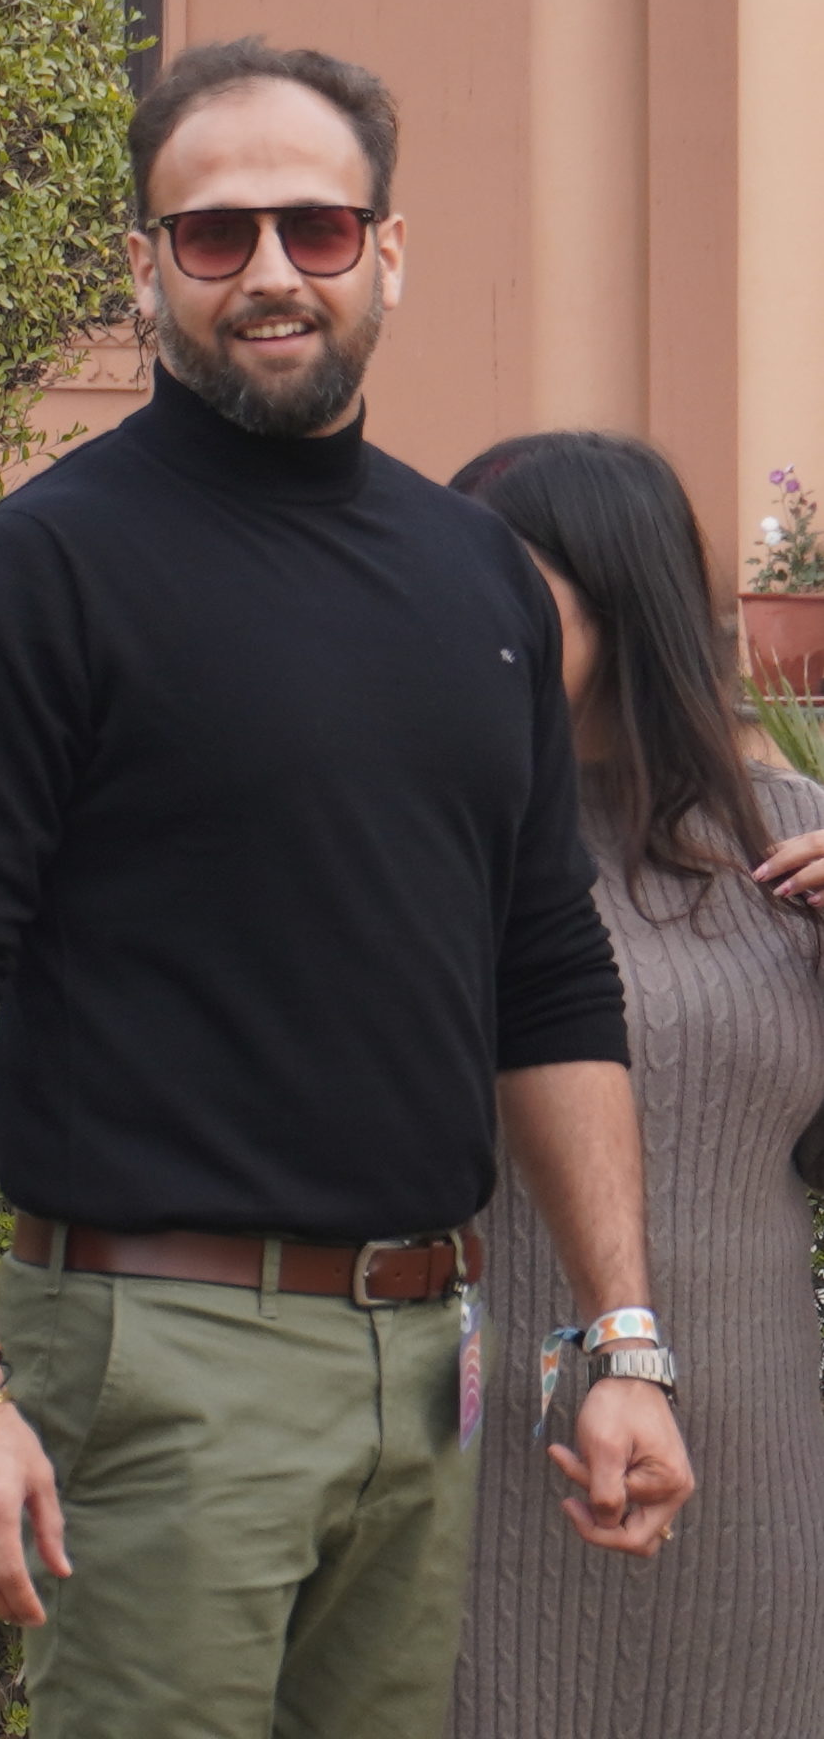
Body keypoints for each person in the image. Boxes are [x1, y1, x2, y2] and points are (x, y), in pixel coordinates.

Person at [0, 40, 692, 1739]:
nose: (270, 272)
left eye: (315, 226)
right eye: (214, 234)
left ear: (388, 249)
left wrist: (622, 1342)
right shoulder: (34, 575)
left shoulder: (474, 576)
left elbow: (546, 971)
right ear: (143, 264)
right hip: (153, 1355)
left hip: (427, 1359)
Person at [446, 432, 824, 1739]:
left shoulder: (790, 838)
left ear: (622, 597)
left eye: (503, 579)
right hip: (479, 1467)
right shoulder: (430, 839)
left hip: (750, 1476)